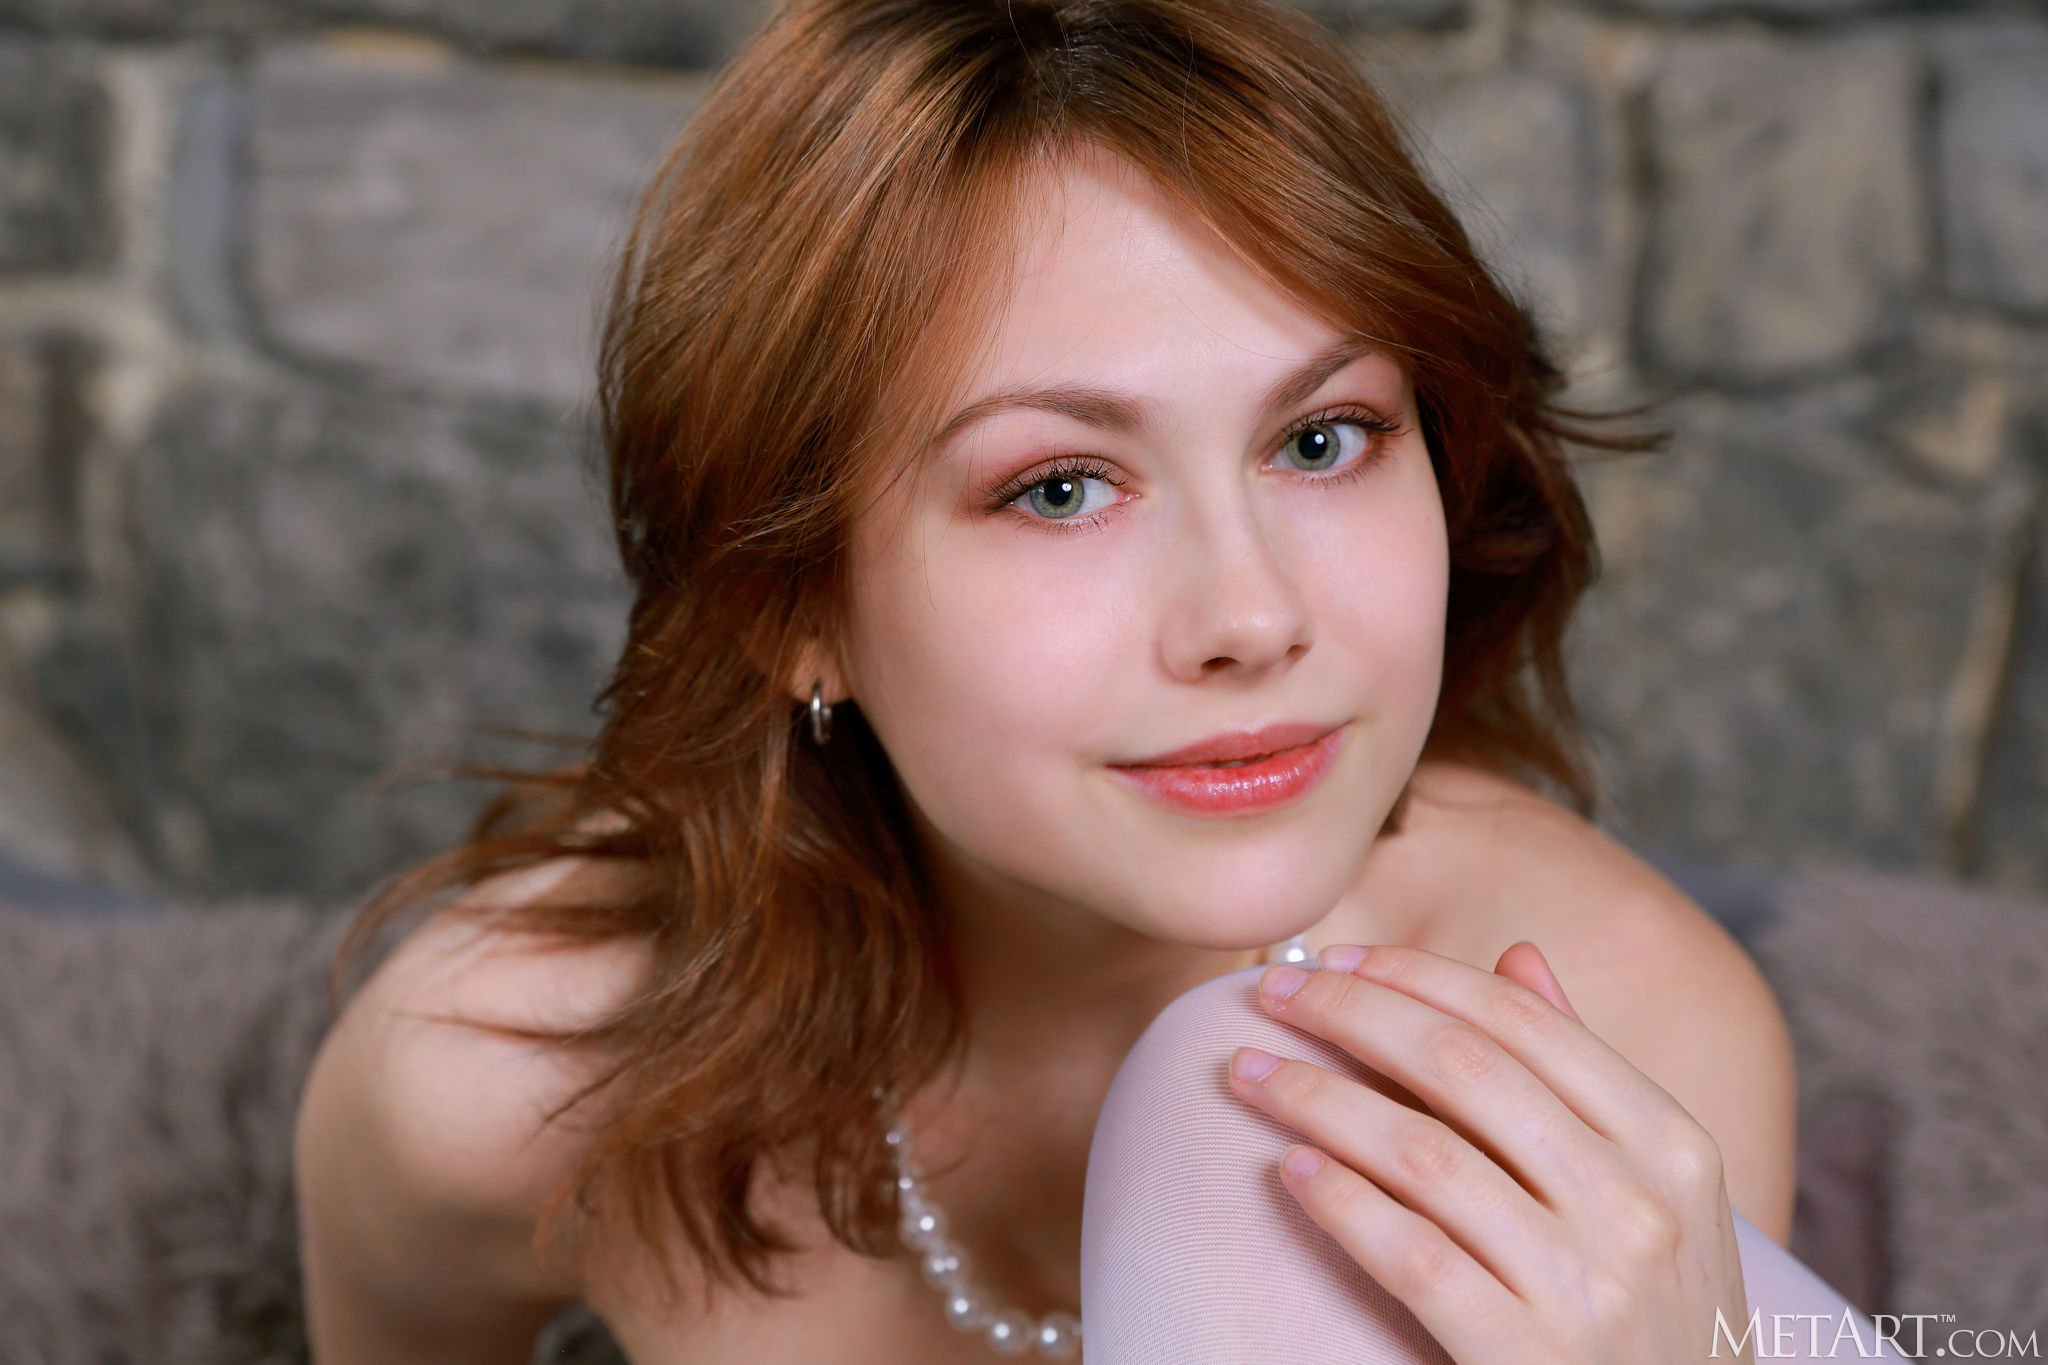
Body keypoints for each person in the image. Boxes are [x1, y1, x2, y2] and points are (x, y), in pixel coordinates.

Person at [287, 0, 1880, 1359]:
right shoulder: (494, 1085)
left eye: (1323, 439)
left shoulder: (1620, 1035)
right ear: (794, 606)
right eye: (1059, 486)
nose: (1251, 615)